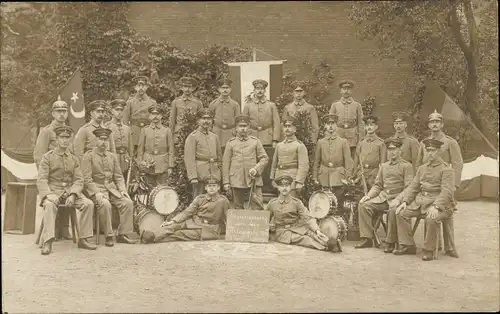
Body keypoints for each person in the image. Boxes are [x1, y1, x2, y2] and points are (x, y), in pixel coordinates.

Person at [37, 126, 96, 255]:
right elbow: (42, 179)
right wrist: (48, 195)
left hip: (69, 191)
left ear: (70, 139)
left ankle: (83, 239)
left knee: (88, 204)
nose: (64, 140)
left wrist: (74, 194)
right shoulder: (48, 157)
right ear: (57, 139)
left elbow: (79, 180)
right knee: (49, 205)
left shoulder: (74, 159)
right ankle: (47, 241)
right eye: (62, 137)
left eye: (67, 138)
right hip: (53, 191)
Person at [393, 138, 455, 261]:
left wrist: (436, 206)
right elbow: (413, 187)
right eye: (427, 151)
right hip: (420, 202)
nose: (429, 153)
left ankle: (429, 250)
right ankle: (408, 245)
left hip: (441, 204)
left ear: (439, 151)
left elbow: (447, 192)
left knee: (431, 218)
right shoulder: (422, 168)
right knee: (401, 212)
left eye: (432, 151)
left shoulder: (446, 169)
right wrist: (405, 201)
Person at [415, 110, 462, 258]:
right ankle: (436, 244)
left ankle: (450, 247)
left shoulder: (450, 142)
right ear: (429, 125)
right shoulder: (423, 143)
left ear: (441, 124)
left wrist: (454, 186)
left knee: (446, 213)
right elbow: (419, 162)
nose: (434, 124)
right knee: (432, 213)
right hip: (429, 184)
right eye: (431, 122)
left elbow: (457, 164)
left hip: (445, 183)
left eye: (437, 122)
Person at [355, 137, 414, 250]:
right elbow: (378, 185)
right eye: (389, 150)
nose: (392, 152)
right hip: (383, 198)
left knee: (393, 210)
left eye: (394, 149)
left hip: (397, 198)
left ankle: (391, 241)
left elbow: (409, 187)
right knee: (363, 205)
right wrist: (368, 196)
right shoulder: (384, 166)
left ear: (400, 150)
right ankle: (367, 238)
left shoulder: (406, 166)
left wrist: (399, 200)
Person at [81, 128, 136, 247]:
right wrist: (96, 192)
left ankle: (123, 234)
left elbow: (118, 176)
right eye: (101, 139)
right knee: (105, 204)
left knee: (128, 202)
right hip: (96, 189)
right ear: (95, 140)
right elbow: (86, 178)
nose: (103, 142)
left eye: (106, 139)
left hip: (111, 189)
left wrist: (122, 190)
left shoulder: (112, 156)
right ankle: (109, 235)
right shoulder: (88, 156)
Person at [139, 177, 230, 244]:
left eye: (214, 186)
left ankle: (153, 239)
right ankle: (150, 235)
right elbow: (187, 212)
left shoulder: (223, 201)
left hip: (207, 230)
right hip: (194, 222)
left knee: (180, 234)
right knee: (173, 226)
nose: (212, 188)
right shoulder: (200, 198)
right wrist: (173, 221)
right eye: (209, 186)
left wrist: (231, 232)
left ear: (218, 187)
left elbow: (228, 217)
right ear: (205, 188)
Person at [33, 96, 73, 240]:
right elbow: (39, 156)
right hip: (51, 178)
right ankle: (52, 231)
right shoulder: (47, 132)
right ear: (53, 114)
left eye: (64, 111)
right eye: (58, 111)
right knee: (53, 200)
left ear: (67, 113)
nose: (62, 114)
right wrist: (45, 179)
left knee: (70, 192)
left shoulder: (69, 131)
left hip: (66, 177)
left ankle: (64, 228)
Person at [268, 175, 341, 253]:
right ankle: (325, 247)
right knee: (304, 239)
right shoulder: (272, 203)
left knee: (314, 234)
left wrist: (317, 230)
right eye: (282, 186)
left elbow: (307, 217)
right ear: (278, 187)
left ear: (290, 187)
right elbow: (264, 218)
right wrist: (269, 227)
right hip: (283, 232)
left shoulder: (297, 202)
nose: (284, 188)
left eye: (287, 185)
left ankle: (331, 243)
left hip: (297, 227)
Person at [222, 114, 269, 210]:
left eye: (245, 126)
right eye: (240, 126)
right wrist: (226, 182)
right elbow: (225, 164)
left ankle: (257, 225)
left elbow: (264, 158)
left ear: (249, 127)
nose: (243, 129)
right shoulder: (231, 143)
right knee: (237, 208)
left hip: (253, 180)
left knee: (257, 206)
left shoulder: (255, 142)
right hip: (236, 180)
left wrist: (256, 169)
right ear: (236, 128)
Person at [312, 114, 353, 208]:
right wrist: (315, 176)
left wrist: (348, 176)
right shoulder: (320, 142)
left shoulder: (343, 142)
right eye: (328, 123)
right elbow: (316, 161)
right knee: (324, 203)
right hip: (324, 175)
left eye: (333, 123)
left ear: (336, 125)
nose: (330, 126)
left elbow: (348, 161)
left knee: (338, 202)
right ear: (325, 126)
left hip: (338, 175)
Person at [184, 108, 222, 198]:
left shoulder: (214, 137)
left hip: (214, 173)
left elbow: (219, 157)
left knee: (215, 199)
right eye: (203, 118)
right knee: (199, 199)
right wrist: (193, 176)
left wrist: (219, 172)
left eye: (209, 119)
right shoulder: (193, 137)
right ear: (198, 121)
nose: (206, 121)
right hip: (200, 173)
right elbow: (189, 159)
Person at [270, 116, 309, 198]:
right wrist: (272, 178)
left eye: (289, 126)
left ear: (295, 129)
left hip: (292, 180)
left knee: (291, 205)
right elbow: (274, 163)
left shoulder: (299, 146)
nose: (287, 128)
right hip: (279, 178)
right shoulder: (279, 145)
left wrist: (299, 182)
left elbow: (303, 166)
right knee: (280, 204)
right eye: (285, 126)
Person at [136, 105, 174, 186]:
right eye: (153, 114)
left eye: (157, 114)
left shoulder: (167, 130)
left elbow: (171, 150)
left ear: (161, 116)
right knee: (148, 189)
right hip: (148, 164)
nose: (155, 116)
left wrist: (170, 166)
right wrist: (140, 163)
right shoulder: (145, 130)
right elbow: (140, 149)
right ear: (150, 116)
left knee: (163, 190)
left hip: (163, 165)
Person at [122, 76, 158, 155]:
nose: (141, 88)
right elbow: (125, 121)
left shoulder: (152, 102)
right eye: (139, 85)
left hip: (148, 132)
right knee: (134, 155)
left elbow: (155, 120)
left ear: (147, 87)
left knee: (148, 154)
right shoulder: (130, 102)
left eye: (143, 85)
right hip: (134, 132)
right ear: (135, 87)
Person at [329, 79, 364, 157]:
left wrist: (361, 139)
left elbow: (361, 123)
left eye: (348, 89)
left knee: (352, 156)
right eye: (344, 89)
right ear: (340, 91)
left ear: (351, 91)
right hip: (339, 134)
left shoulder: (357, 105)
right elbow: (330, 123)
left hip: (352, 136)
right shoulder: (335, 105)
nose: (346, 91)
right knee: (338, 156)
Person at [242, 79, 281, 148]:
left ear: (265, 90)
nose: (260, 91)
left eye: (262, 89)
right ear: (254, 90)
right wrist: (244, 137)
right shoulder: (248, 105)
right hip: (251, 137)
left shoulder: (271, 105)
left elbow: (276, 123)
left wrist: (275, 140)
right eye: (257, 88)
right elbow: (243, 123)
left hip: (268, 138)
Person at [353, 115, 386, 192]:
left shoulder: (381, 143)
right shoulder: (361, 143)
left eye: (371, 125)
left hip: (374, 173)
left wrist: (379, 174)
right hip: (362, 173)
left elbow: (383, 162)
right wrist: (354, 174)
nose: (369, 127)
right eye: (367, 125)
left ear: (376, 127)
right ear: (364, 127)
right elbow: (356, 160)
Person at [208, 76, 241, 151]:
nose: (225, 90)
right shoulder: (213, 104)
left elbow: (238, 121)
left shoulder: (235, 104)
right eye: (223, 88)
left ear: (230, 89)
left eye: (227, 88)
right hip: (216, 132)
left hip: (231, 133)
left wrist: (236, 132)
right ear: (219, 89)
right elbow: (210, 120)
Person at [107, 99, 133, 178]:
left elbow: (130, 146)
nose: (119, 112)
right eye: (117, 110)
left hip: (125, 160)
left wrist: (131, 158)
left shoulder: (127, 128)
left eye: (121, 110)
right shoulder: (107, 127)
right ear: (112, 111)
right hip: (113, 159)